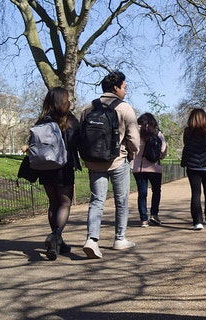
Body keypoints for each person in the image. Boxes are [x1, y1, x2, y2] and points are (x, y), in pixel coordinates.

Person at [81, 71, 140, 259]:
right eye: (124, 87)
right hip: (117, 160)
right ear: (116, 87)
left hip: (94, 162)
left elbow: (81, 135)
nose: (126, 90)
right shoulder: (125, 109)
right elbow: (133, 139)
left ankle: (92, 239)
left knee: (97, 201)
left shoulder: (88, 107)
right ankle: (119, 238)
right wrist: (131, 154)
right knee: (121, 200)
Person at [32, 87, 82, 260]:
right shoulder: (69, 120)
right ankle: (56, 236)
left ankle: (58, 241)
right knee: (64, 204)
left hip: (44, 167)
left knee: (53, 203)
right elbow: (78, 142)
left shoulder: (41, 121)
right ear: (63, 101)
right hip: (63, 167)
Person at [180, 108, 206, 230]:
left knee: (196, 194)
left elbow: (186, 144)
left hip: (192, 166)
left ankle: (197, 221)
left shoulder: (187, 132)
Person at [132, 113, 167, 227]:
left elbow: (131, 147)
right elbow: (163, 152)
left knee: (142, 193)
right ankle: (154, 214)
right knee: (156, 191)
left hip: (139, 168)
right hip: (155, 168)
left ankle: (143, 219)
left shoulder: (136, 133)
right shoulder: (158, 134)